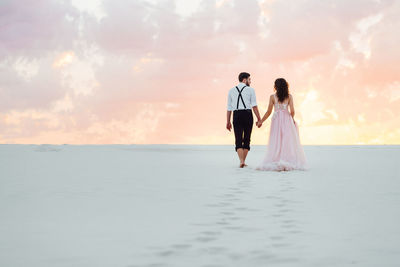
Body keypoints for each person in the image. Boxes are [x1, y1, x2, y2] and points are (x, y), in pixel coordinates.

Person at [256, 78, 308, 171]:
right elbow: (292, 111)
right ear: (285, 86)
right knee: (286, 140)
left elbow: (268, 111)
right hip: (287, 119)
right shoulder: (289, 96)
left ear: (276, 86)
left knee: (276, 140)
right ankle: (286, 159)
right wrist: (291, 119)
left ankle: (277, 158)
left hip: (276, 120)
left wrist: (261, 121)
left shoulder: (272, 97)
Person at [226, 72, 262, 168]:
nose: (250, 81)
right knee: (247, 139)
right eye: (249, 79)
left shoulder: (231, 91)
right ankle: (242, 161)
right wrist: (259, 119)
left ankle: (242, 161)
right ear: (244, 80)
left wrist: (228, 121)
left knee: (238, 139)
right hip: (247, 114)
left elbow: (229, 108)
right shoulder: (251, 90)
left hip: (236, 114)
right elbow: (254, 106)